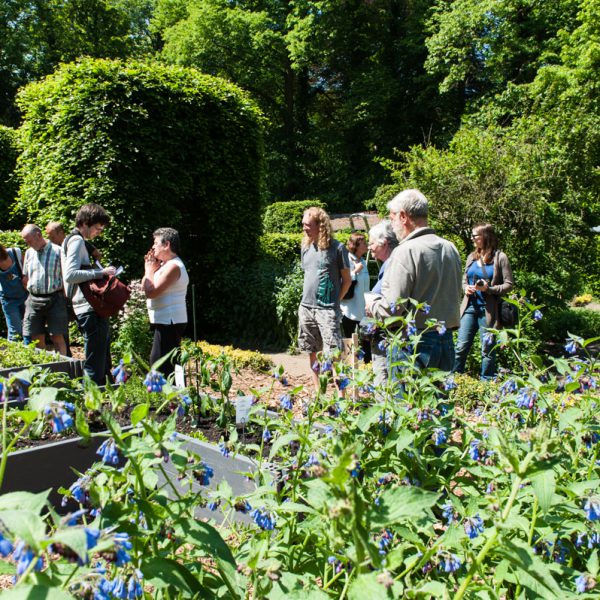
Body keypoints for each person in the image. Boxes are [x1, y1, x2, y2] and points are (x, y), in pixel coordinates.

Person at [367, 189, 462, 373]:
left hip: (415, 344)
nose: (391, 225)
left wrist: (373, 305)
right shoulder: (449, 247)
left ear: (403, 217)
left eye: (392, 217)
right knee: (439, 400)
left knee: (407, 400)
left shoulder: (405, 252)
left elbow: (392, 309)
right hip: (446, 340)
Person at [62, 204, 116, 384]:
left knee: (100, 356)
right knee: (95, 360)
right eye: (98, 228)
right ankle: (91, 400)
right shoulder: (77, 241)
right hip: (88, 307)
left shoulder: (74, 239)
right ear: (85, 223)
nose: (99, 233)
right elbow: (70, 275)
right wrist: (101, 273)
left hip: (86, 306)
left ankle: (101, 394)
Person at [298, 207, 351, 389]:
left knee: (334, 354)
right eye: (303, 224)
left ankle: (341, 398)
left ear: (321, 226)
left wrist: (335, 301)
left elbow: (347, 280)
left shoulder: (337, 248)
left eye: (308, 225)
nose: (304, 228)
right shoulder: (306, 248)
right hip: (306, 308)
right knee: (312, 352)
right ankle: (318, 394)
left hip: (327, 309)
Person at [453, 223, 514, 379]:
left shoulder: (500, 258)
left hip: (488, 310)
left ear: (485, 237)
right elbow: (464, 279)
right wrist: (465, 288)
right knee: (461, 346)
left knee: (487, 350)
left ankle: (486, 383)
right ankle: (454, 380)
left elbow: (509, 284)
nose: (472, 239)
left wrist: (489, 289)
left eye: (475, 236)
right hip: (469, 307)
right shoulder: (472, 257)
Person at [142, 227, 188, 377]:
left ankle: (173, 398)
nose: (153, 247)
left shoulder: (174, 267)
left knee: (161, 366)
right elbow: (146, 285)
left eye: (156, 243)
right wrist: (150, 269)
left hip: (170, 321)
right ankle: (174, 398)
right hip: (164, 321)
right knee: (165, 365)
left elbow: (151, 292)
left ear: (166, 245)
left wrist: (149, 269)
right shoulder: (164, 265)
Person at [21, 224, 68, 355]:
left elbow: (66, 277)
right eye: (26, 241)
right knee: (35, 338)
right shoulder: (29, 253)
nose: (28, 244)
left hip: (55, 298)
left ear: (38, 235)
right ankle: (40, 370)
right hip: (33, 299)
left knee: (57, 337)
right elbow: (25, 277)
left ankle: (61, 372)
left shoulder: (58, 251)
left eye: (29, 240)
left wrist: (64, 297)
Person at [365, 220, 398, 387]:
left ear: (384, 243)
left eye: (371, 243)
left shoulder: (393, 264)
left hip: (387, 333)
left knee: (384, 382)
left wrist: (371, 304)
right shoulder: (388, 263)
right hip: (385, 332)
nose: (369, 247)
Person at [340, 232, 371, 360]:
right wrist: (354, 272)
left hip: (363, 308)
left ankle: (368, 366)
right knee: (348, 340)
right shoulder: (347, 259)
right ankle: (348, 367)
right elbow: (341, 280)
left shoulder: (362, 260)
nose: (367, 245)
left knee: (367, 339)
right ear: (356, 245)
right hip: (349, 308)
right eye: (364, 243)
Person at [0, 244, 28, 341]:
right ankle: (13, 354)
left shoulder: (15, 252)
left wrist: (26, 278)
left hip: (25, 295)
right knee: (15, 331)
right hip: (9, 299)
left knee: (30, 329)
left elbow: (27, 269)